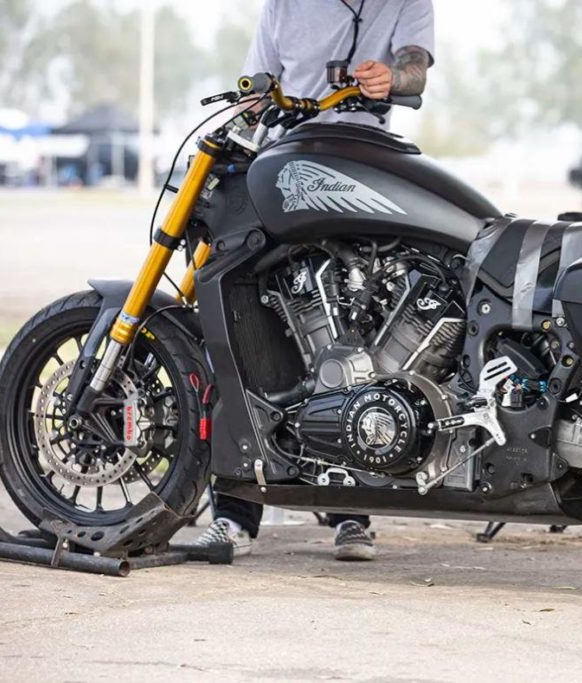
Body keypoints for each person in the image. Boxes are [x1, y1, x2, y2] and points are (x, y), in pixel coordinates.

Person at [194, 0, 434, 561]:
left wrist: (392, 77)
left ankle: (352, 511)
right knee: (241, 323)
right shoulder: (284, 5)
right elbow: (257, 88)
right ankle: (233, 514)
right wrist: (242, 119)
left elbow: (416, 67)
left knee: (353, 332)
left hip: (362, 163)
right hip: (283, 162)